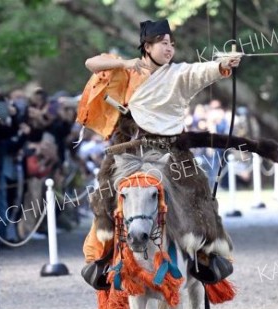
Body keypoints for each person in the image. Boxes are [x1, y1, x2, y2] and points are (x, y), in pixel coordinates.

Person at [80, 19, 242, 290]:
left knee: (198, 189)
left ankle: (207, 254)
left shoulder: (178, 73)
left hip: (171, 149)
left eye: (172, 44)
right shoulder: (127, 69)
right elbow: (91, 63)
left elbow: (203, 70)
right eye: (163, 43)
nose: (170, 48)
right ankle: (104, 259)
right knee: (106, 190)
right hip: (130, 147)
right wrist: (124, 64)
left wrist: (223, 63)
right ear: (147, 46)